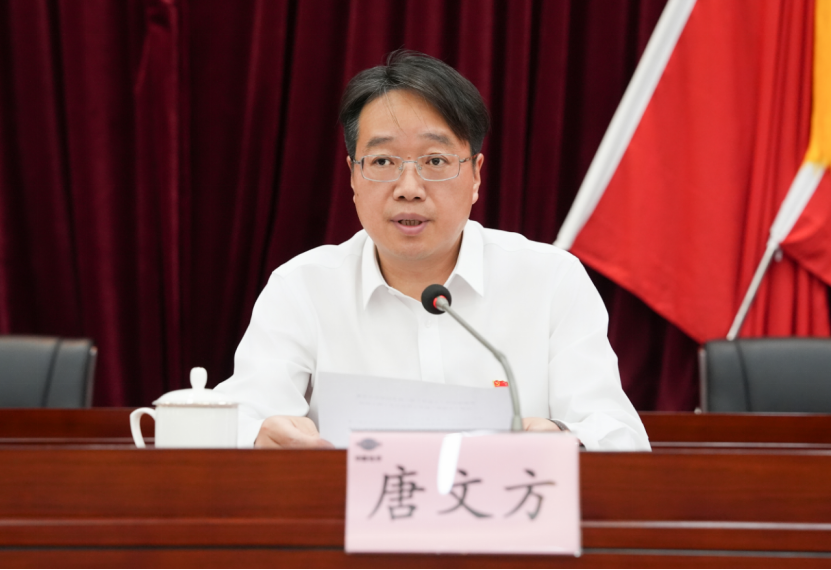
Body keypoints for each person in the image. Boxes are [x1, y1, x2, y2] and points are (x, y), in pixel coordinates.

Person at [214, 50, 650, 451]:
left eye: (435, 162)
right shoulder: (302, 287)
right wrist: (261, 439)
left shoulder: (551, 280)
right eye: (382, 162)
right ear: (353, 176)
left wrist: (562, 439)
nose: (409, 189)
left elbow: (622, 437)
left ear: (476, 175)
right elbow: (237, 420)